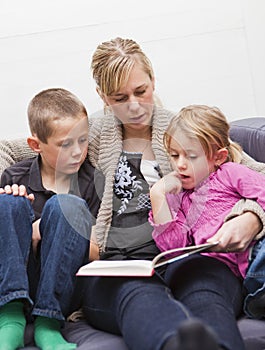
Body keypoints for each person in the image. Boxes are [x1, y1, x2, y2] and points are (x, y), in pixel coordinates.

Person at [80, 37, 265, 350]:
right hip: (122, 265)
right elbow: (16, 150)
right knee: (139, 296)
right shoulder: (93, 133)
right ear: (101, 96)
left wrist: (251, 217)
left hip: (188, 257)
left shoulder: (183, 132)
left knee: (207, 293)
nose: (135, 105)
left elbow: (255, 175)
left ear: (153, 79)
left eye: (141, 91)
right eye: (119, 97)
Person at [0, 88, 103, 350]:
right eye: (65, 144)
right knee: (8, 202)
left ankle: (48, 324)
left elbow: (99, 252)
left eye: (83, 140)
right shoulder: (15, 176)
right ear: (35, 145)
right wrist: (24, 228)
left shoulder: (93, 183)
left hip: (65, 286)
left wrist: (47, 231)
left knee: (66, 206)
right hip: (20, 279)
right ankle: (10, 317)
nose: (78, 152)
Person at [149, 104, 265, 320]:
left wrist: (251, 219)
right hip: (243, 272)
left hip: (258, 248)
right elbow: (175, 250)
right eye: (174, 155)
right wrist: (158, 196)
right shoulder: (180, 198)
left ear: (218, 157)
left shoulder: (230, 173)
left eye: (191, 157)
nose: (180, 165)